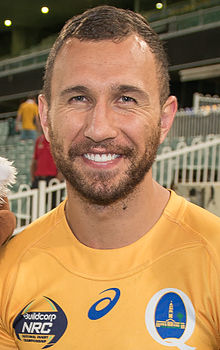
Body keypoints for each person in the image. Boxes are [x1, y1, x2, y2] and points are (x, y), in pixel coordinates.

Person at [0, 6, 220, 349]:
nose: (99, 128)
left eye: (126, 99)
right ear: (45, 117)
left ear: (164, 120)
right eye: (78, 98)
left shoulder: (214, 258)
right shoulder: (8, 270)